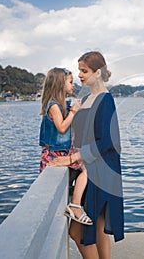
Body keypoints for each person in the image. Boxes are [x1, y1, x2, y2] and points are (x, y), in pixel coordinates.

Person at [49, 51, 124, 259]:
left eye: (85, 71)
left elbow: (108, 142)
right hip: (90, 167)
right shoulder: (88, 97)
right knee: (97, 228)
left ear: (97, 73)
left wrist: (72, 158)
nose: (80, 75)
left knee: (80, 230)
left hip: (101, 170)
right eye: (79, 70)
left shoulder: (105, 99)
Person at [39, 67, 92, 226]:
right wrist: (73, 112)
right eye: (70, 82)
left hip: (60, 151)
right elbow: (62, 127)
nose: (73, 85)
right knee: (86, 170)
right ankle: (75, 205)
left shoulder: (61, 104)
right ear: (60, 84)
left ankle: (73, 203)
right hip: (54, 154)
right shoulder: (54, 106)